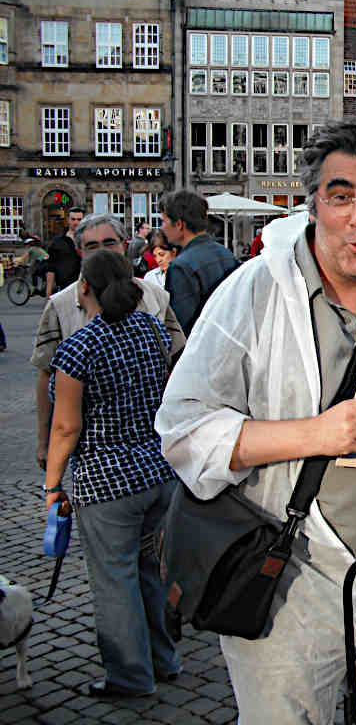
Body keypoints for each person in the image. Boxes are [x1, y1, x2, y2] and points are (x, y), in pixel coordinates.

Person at [155, 118, 356, 724]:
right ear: (315, 203)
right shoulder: (254, 292)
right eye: (341, 196)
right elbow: (183, 428)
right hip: (290, 573)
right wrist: (320, 433)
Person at [43, 249, 181, 699]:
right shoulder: (151, 330)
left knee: (115, 581)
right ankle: (164, 660)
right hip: (156, 472)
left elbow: (65, 426)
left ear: (84, 289)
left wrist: (51, 484)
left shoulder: (79, 348)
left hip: (107, 483)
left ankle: (129, 675)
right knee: (149, 573)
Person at [32, 213, 185, 472]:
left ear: (124, 245)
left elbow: (178, 360)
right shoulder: (60, 305)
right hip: (95, 455)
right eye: (92, 246)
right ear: (80, 252)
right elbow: (47, 375)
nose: (101, 251)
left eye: (109, 242)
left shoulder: (154, 296)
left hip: (156, 446)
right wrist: (44, 440)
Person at [160, 189, 240, 337]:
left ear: (179, 224)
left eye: (164, 221)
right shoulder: (226, 254)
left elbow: (181, 328)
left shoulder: (181, 266)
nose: (161, 228)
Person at [44, 206, 84, 298]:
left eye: (79, 219)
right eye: (73, 219)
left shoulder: (89, 239)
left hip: (85, 288)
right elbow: (51, 268)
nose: (76, 222)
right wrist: (48, 292)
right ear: (68, 220)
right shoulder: (57, 242)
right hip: (64, 288)